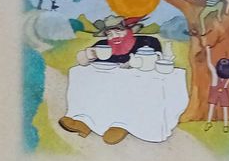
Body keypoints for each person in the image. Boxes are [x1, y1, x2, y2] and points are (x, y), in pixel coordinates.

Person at [60, 14, 163, 145]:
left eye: (118, 31)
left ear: (130, 31)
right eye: (109, 34)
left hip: (135, 85)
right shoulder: (103, 45)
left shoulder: (147, 42)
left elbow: (157, 59)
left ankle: (122, 125)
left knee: (129, 90)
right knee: (80, 75)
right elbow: (81, 61)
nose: (114, 36)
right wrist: (87, 55)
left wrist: (137, 62)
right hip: (106, 85)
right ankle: (83, 121)